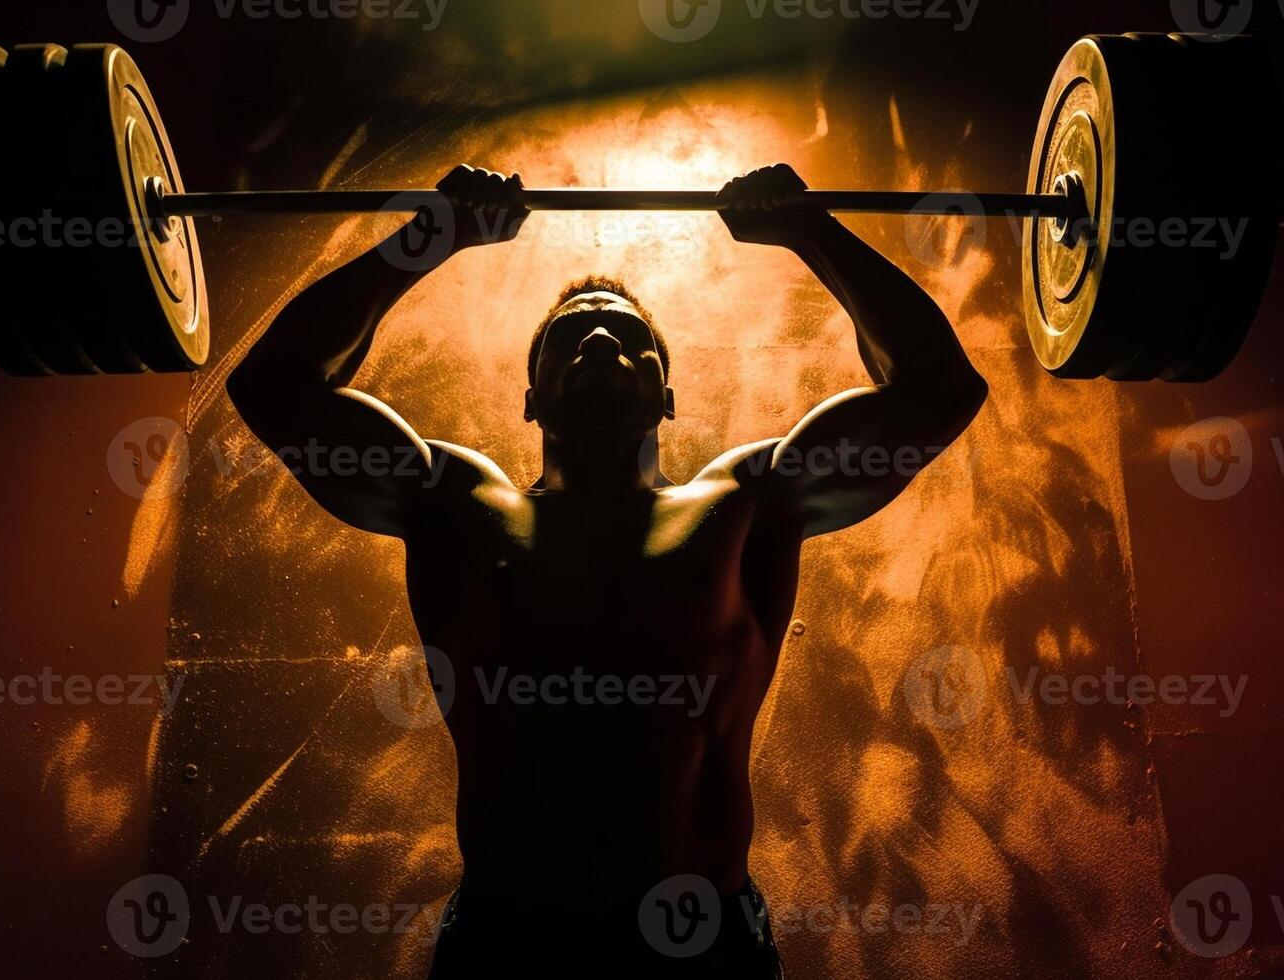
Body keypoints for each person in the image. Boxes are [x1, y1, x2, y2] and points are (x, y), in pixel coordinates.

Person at [227, 163, 987, 978]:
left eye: (629, 338)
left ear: (667, 398)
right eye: (570, 334)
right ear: (530, 398)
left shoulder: (746, 502)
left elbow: (937, 389)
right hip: (509, 943)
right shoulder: (449, 501)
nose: (597, 338)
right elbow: (273, 385)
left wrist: (810, 229)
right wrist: (428, 235)